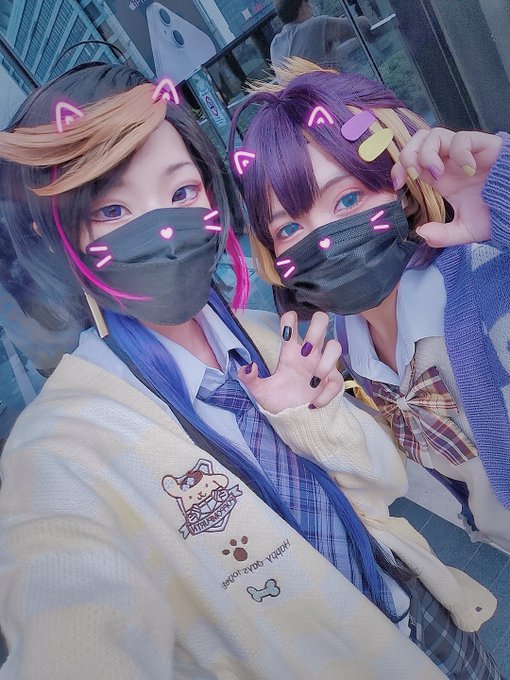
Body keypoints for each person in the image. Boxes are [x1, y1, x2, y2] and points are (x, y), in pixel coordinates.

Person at [0, 62, 502, 680]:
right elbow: (68, 606)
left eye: (181, 193)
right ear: (60, 239)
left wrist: (311, 419)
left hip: (423, 609)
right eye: (112, 210)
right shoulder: (59, 448)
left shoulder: (272, 334)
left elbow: (384, 483)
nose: (161, 225)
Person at [230, 60, 510, 553]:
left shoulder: (488, 283)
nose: (324, 239)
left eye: (346, 200)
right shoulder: (347, 348)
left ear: (401, 192)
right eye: (289, 229)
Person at [270, 0, 372, 71]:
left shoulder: (275, 45)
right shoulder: (314, 26)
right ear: (304, 4)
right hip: (334, 92)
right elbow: (363, 25)